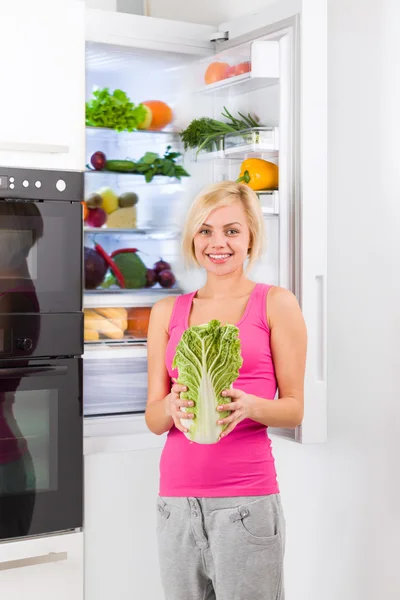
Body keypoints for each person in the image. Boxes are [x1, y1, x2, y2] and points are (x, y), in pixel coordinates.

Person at [145, 181, 307, 600]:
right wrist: (170, 405)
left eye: (232, 231)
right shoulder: (167, 312)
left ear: (251, 236)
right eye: (206, 230)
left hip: (245, 503)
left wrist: (251, 405)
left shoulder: (275, 303)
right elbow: (153, 419)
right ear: (192, 239)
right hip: (175, 504)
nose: (218, 243)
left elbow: (294, 409)